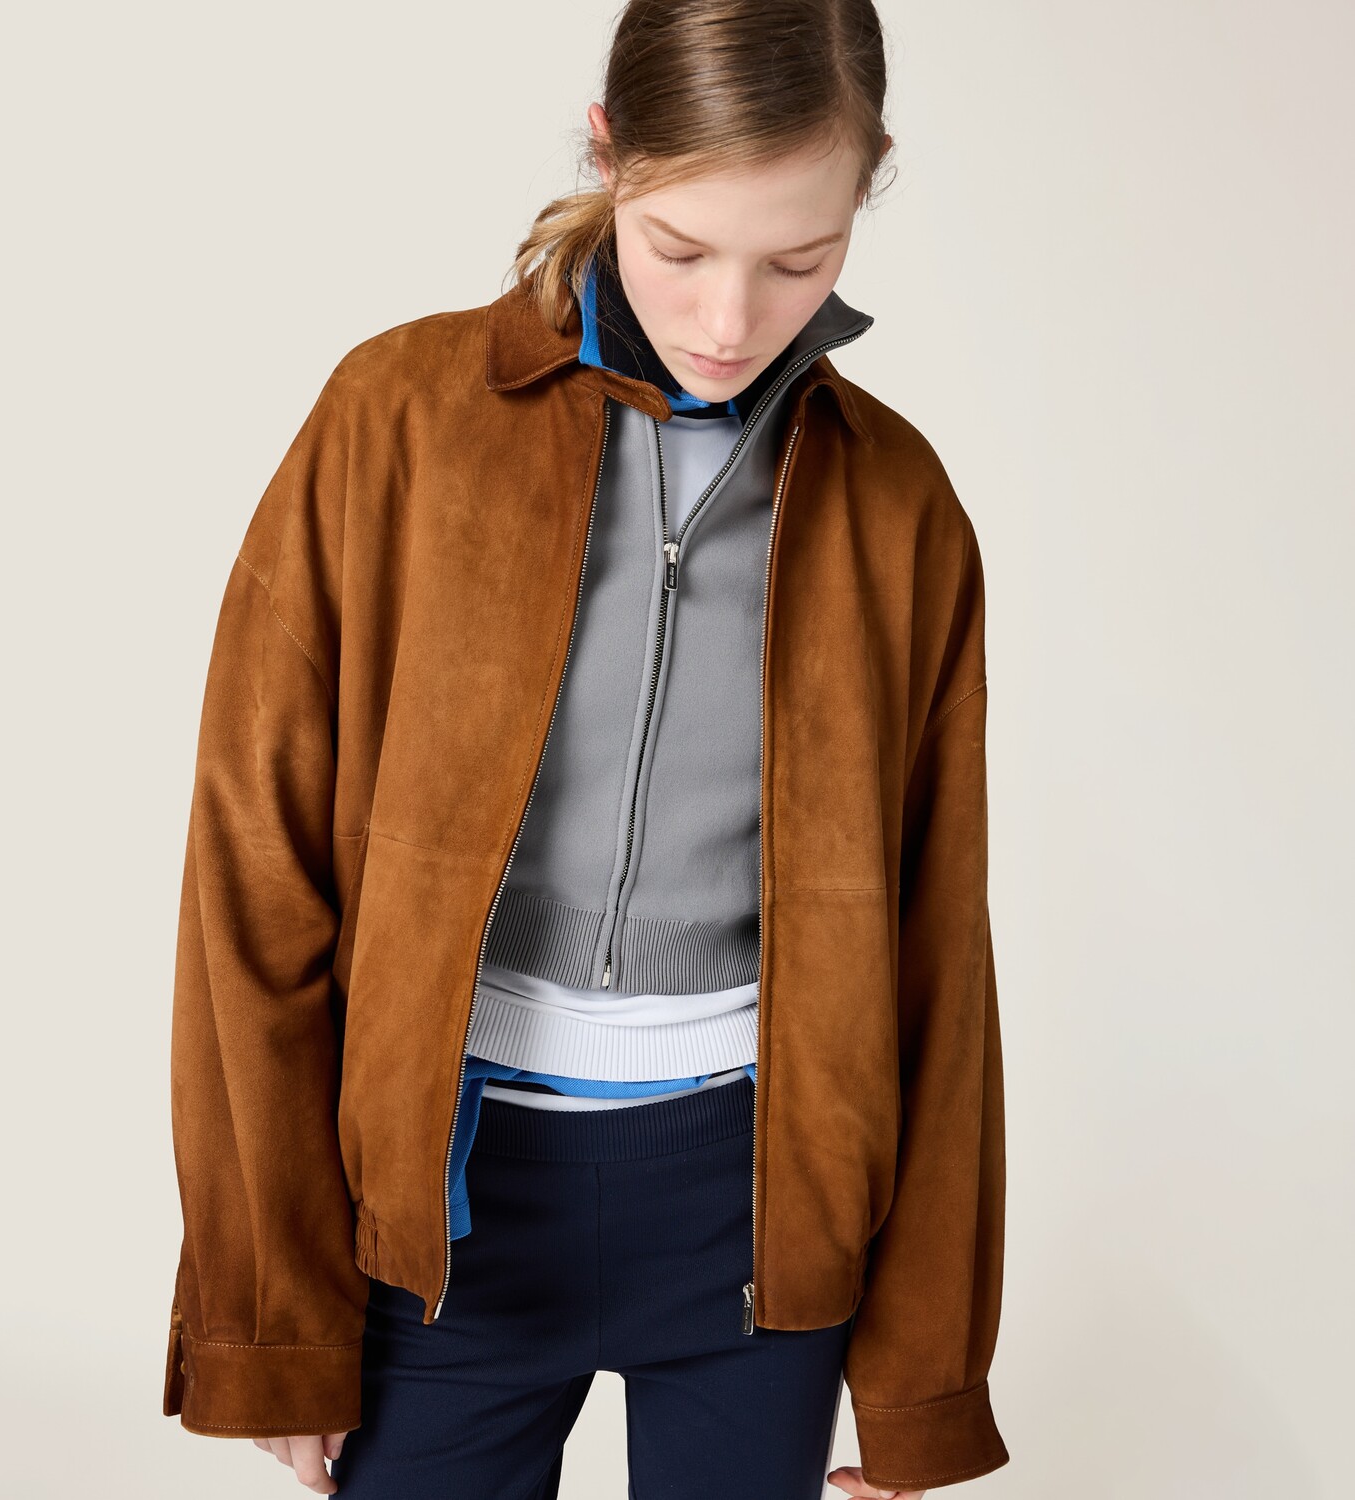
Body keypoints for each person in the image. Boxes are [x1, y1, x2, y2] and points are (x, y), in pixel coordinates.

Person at [160, 2, 1008, 1497]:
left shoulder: (900, 506)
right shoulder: (397, 421)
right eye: (681, 248)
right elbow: (253, 875)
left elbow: (939, 959)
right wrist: (272, 1315)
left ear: (869, 185)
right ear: (610, 156)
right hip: (442, 1209)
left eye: (799, 261)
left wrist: (920, 1385)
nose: (731, 322)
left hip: (766, 1211)